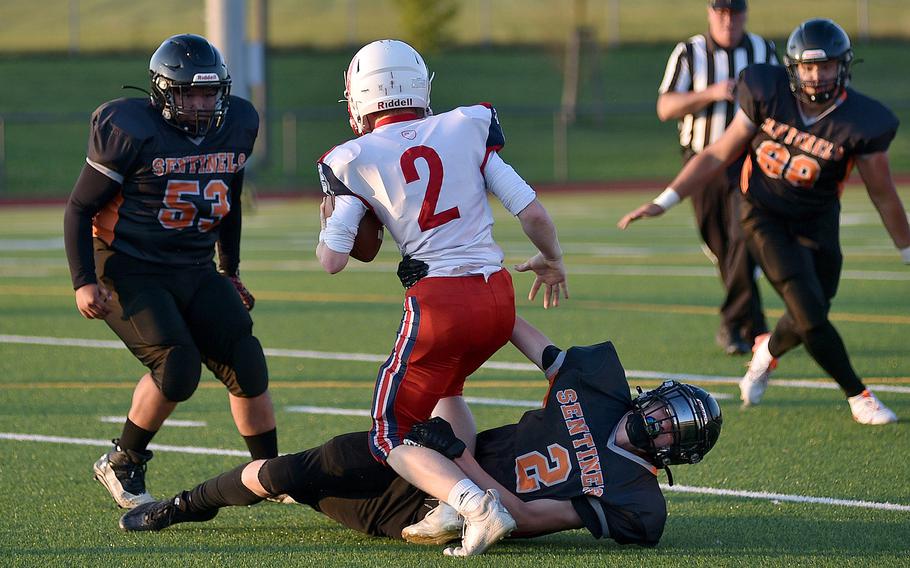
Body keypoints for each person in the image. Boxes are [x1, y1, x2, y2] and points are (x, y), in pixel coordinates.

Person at [117, 317, 723, 558]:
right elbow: (512, 326)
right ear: (657, 395)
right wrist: (474, 286)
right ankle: (177, 508)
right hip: (444, 454)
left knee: (292, 484)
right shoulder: (600, 385)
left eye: (676, 431)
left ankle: (243, 492)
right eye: (671, 409)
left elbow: (532, 518)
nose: (663, 423)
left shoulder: (638, 499)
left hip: (450, 496)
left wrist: (465, 472)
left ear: (678, 454)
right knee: (288, 472)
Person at [314, 38, 569, 542]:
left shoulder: (353, 157)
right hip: (497, 300)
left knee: (388, 434)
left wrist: (329, 217)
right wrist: (552, 261)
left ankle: (473, 503)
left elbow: (333, 261)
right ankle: (444, 502)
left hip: (441, 305)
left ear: (359, 99)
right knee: (446, 389)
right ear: (418, 86)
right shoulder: (465, 126)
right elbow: (532, 211)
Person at [619, 19, 910, 425]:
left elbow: (882, 193)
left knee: (812, 309)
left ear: (843, 67)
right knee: (809, 314)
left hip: (818, 218)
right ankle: (858, 395)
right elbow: (718, 153)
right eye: (808, 67)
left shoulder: (860, 119)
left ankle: (767, 352)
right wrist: (665, 200)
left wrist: (907, 250)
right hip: (762, 214)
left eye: (826, 66)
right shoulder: (767, 93)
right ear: (792, 67)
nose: (817, 75)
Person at [63, 33, 278, 509]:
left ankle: (272, 474)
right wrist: (84, 281)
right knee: (176, 367)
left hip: (194, 262)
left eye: (209, 92)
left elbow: (229, 200)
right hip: (128, 264)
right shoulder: (129, 128)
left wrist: (232, 269)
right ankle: (122, 460)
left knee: (245, 359)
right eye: (188, 93)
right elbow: (79, 209)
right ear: (162, 92)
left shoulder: (238, 122)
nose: (201, 104)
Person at [657, 0, 775, 355]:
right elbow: (665, 107)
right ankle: (754, 325)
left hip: (747, 161)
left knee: (745, 235)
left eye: (735, 13)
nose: (728, 20)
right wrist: (712, 92)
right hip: (702, 162)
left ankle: (730, 322)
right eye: (721, 12)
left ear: (745, 14)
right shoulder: (689, 53)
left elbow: (780, 100)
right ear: (710, 14)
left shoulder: (762, 50)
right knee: (720, 244)